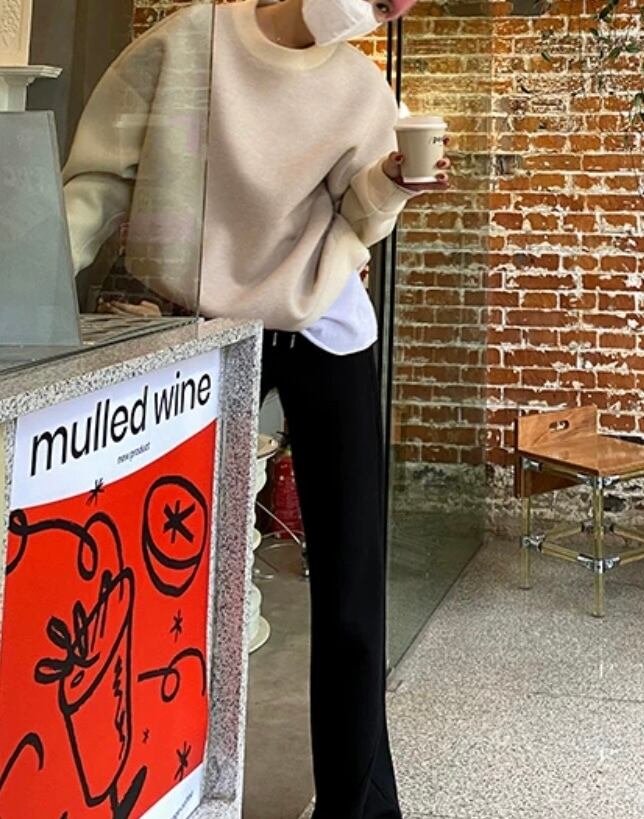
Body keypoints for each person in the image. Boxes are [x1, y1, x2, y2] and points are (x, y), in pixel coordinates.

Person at [62, 1, 448, 817]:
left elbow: (357, 219)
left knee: (350, 582)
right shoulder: (188, 41)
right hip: (201, 329)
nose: (398, 7)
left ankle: (360, 808)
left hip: (325, 326)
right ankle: (147, 780)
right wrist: (27, 288)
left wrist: (390, 184)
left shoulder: (362, 88)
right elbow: (96, 184)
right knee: (156, 563)